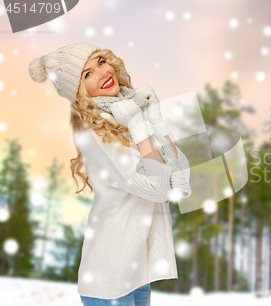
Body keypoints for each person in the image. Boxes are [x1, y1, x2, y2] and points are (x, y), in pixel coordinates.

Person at [28, 42, 191, 306]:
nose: (102, 73)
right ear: (79, 92)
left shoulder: (126, 113)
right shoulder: (94, 132)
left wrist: (155, 119)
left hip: (137, 273)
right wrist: (139, 125)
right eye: (87, 74)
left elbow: (181, 175)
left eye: (101, 62)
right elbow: (157, 188)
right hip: (110, 279)